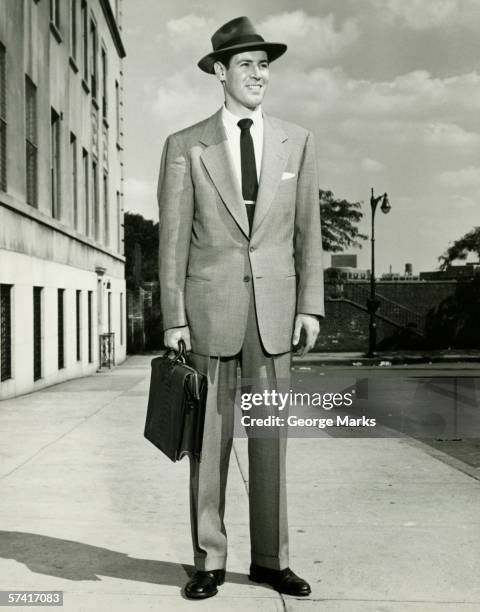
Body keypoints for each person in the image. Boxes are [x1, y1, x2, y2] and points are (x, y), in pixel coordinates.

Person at [157, 16, 324, 599]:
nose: (260, 74)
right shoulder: (186, 145)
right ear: (220, 73)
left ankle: (271, 560)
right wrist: (174, 317)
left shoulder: (297, 141)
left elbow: (310, 232)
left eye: (265, 65)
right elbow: (173, 240)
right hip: (209, 313)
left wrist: (311, 306)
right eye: (247, 65)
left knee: (272, 442)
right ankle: (209, 559)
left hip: (277, 316)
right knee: (209, 444)